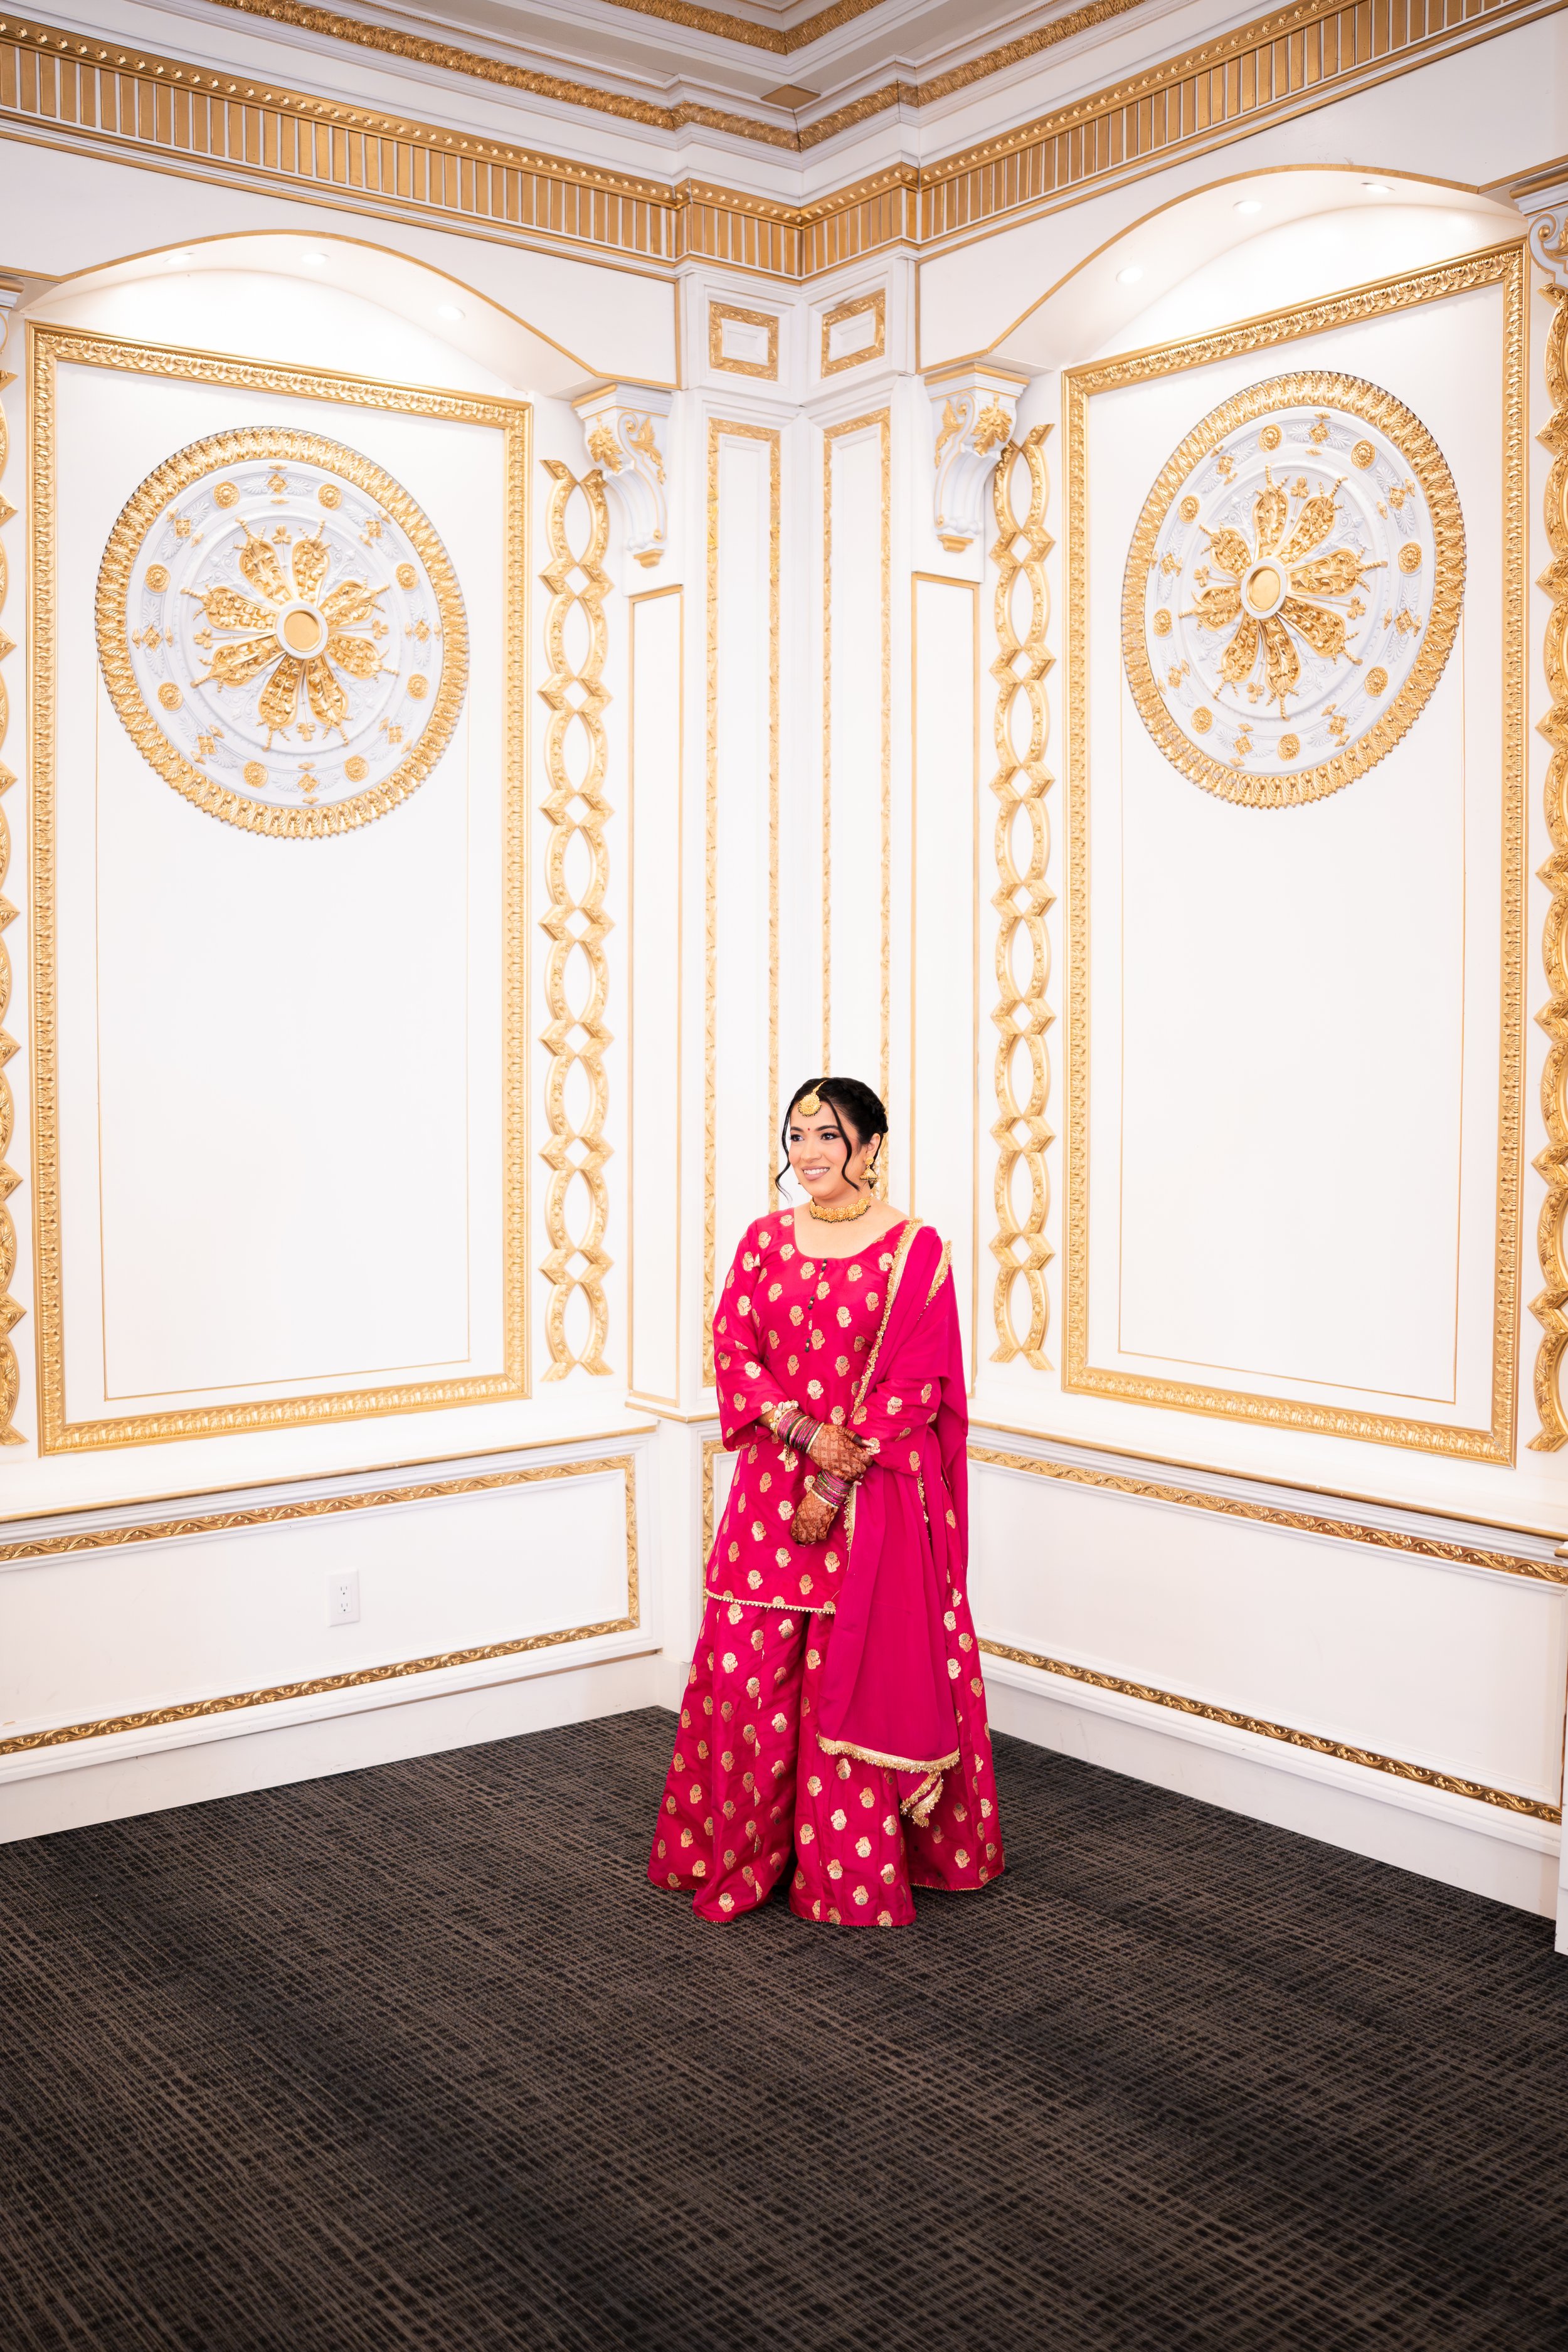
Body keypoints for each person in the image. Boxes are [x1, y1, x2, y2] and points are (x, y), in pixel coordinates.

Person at [649, 1076, 1004, 1927]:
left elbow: (920, 1383)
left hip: (870, 1498)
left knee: (848, 1675)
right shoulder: (765, 1240)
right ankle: (736, 1854)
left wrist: (839, 1475)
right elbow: (734, 1345)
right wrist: (806, 1434)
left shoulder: (916, 1250)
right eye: (796, 1135)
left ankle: (845, 1872)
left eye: (826, 1135)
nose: (806, 1153)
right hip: (771, 1491)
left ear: (870, 1146)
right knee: (745, 1675)